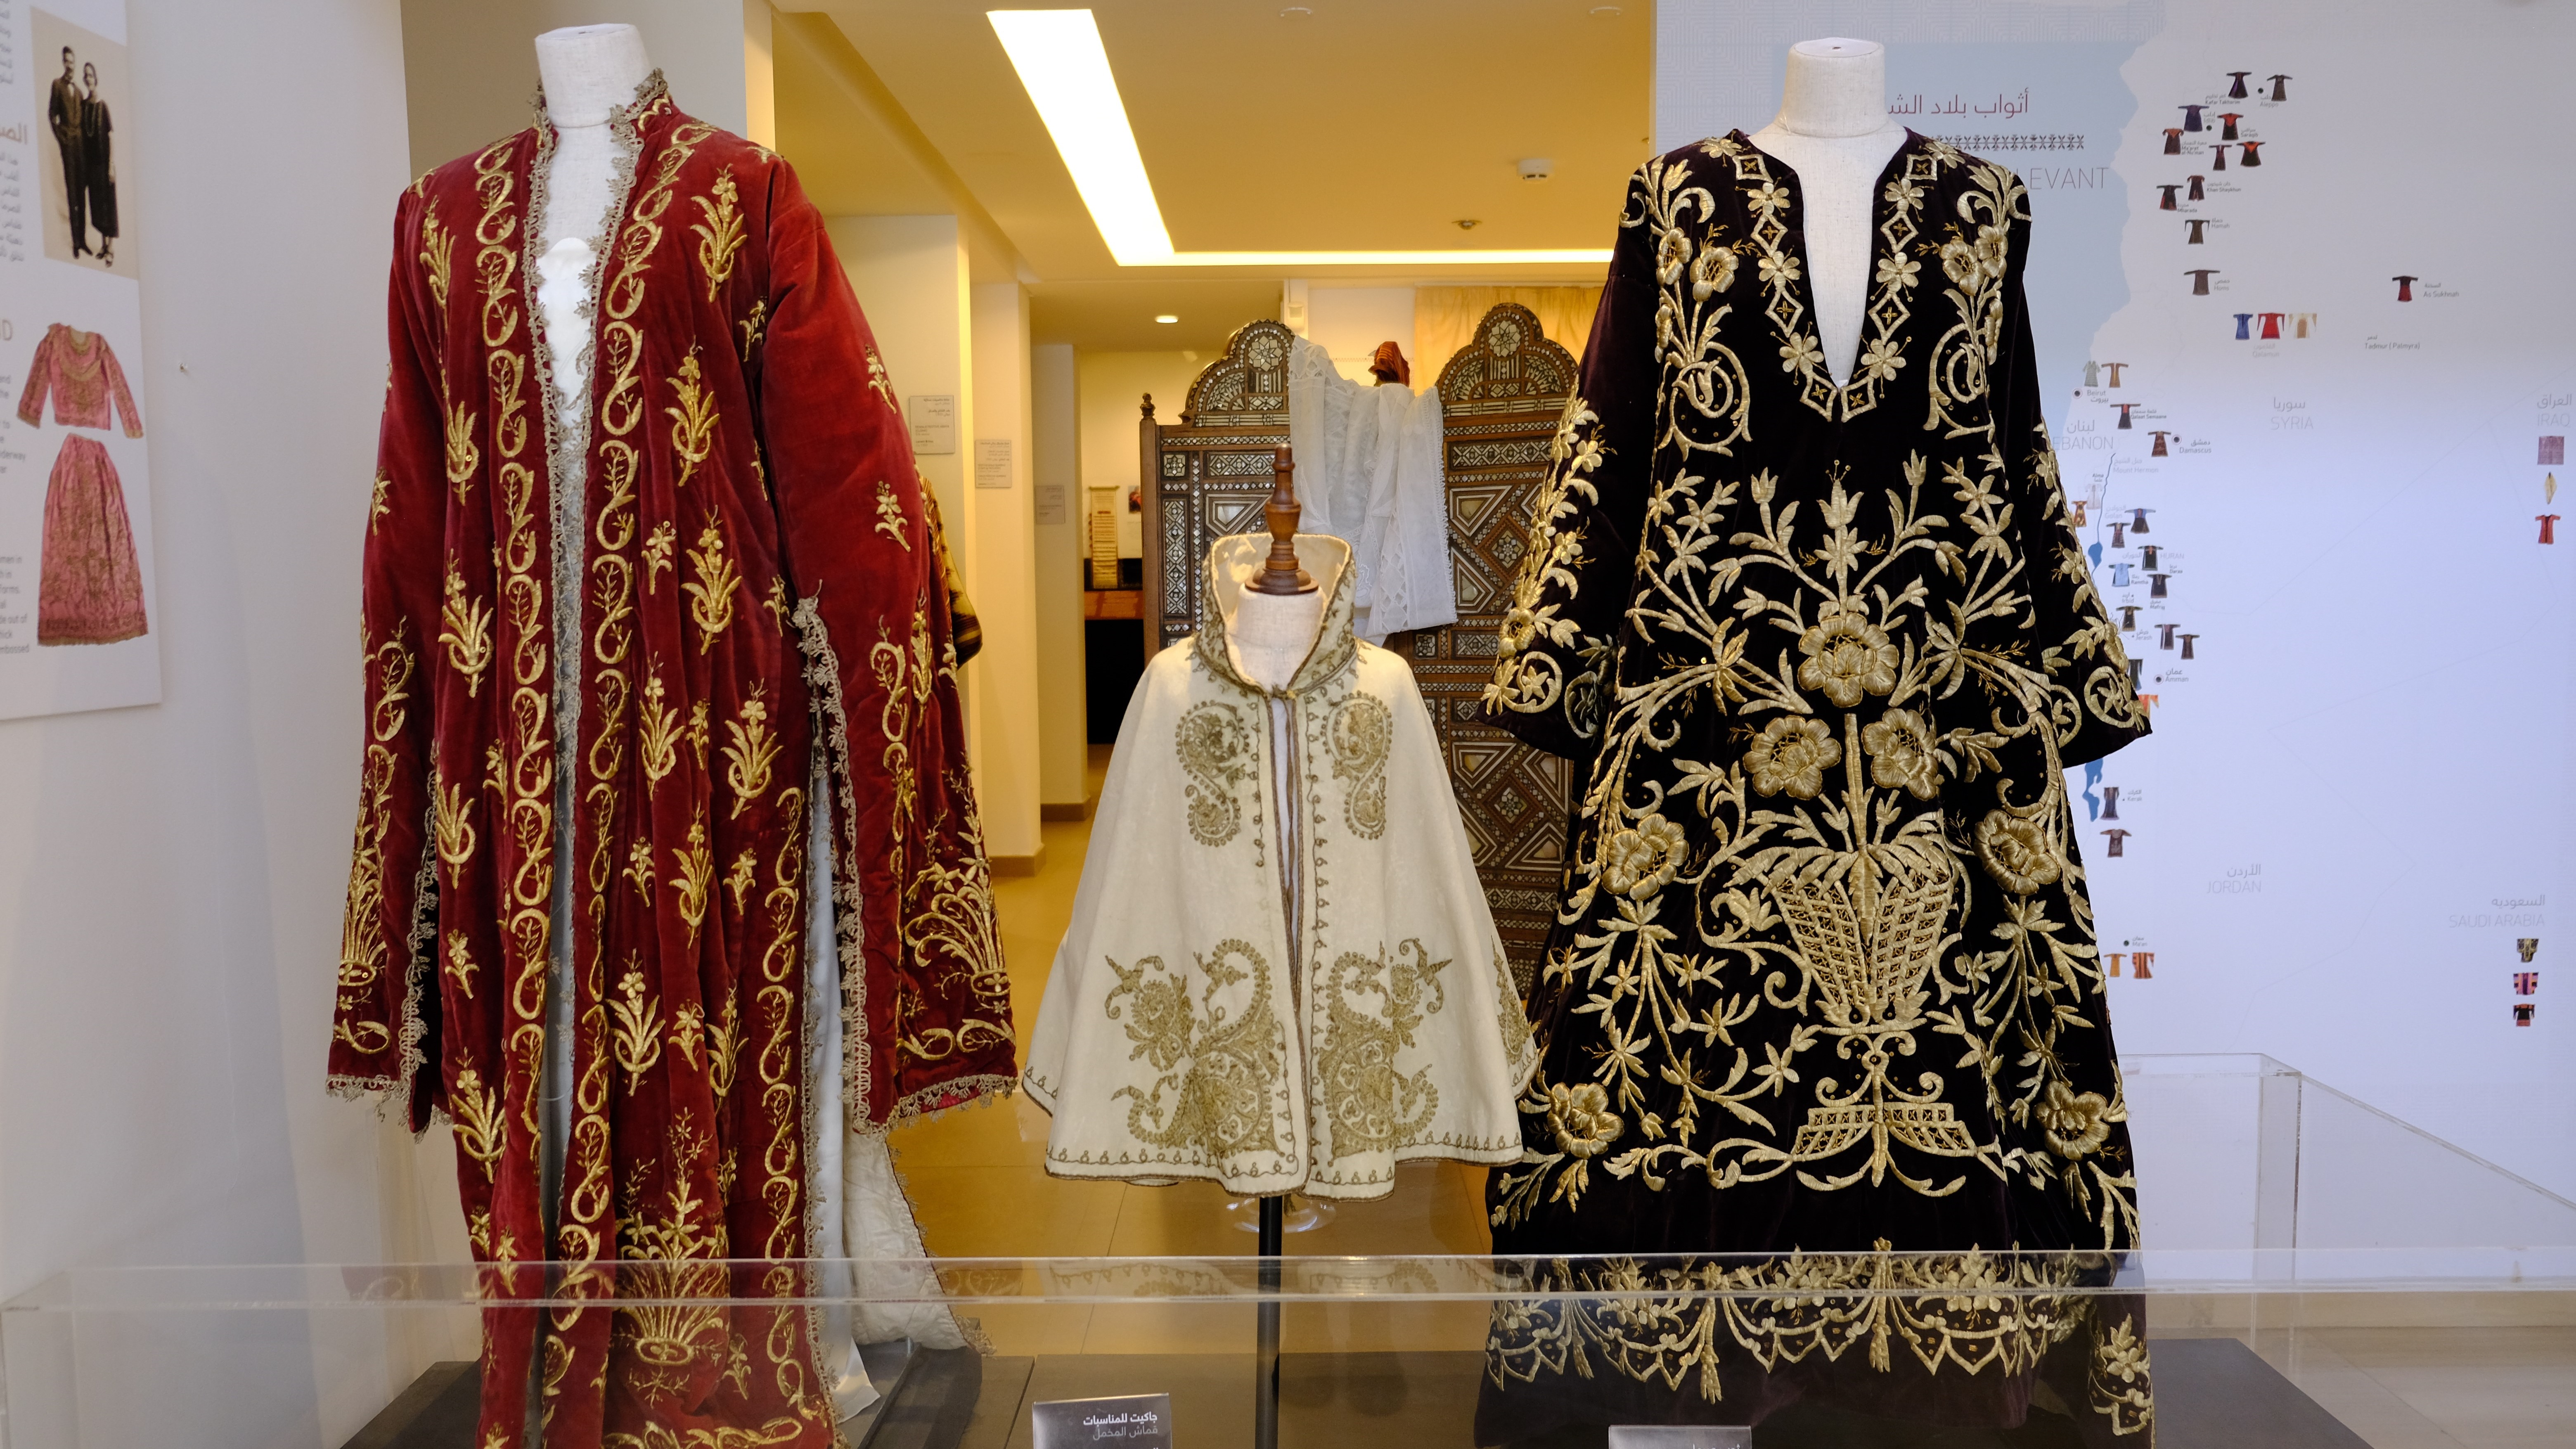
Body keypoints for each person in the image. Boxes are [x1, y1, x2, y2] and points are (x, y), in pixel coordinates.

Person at [46, 47, 87, 257]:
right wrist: (62, 139)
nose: (69, 65)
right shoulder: (57, 85)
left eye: (72, 61)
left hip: (81, 150)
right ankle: (76, 244)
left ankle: (84, 240)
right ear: (63, 63)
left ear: (75, 63)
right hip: (68, 148)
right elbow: (52, 115)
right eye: (66, 61)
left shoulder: (79, 92)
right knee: (72, 193)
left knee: (82, 193)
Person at [79, 63, 116, 266]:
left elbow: (111, 137)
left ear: (96, 78)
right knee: (98, 208)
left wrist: (111, 165)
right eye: (86, 76)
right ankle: (103, 246)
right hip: (92, 166)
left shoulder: (103, 106)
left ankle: (111, 249)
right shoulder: (85, 107)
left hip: (105, 165)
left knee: (108, 206)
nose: (88, 79)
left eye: (91, 75)